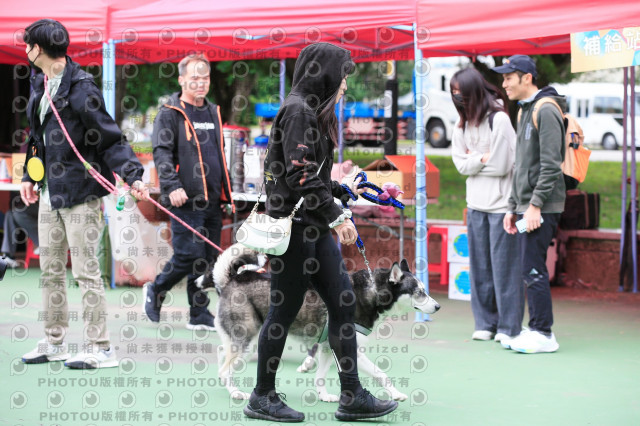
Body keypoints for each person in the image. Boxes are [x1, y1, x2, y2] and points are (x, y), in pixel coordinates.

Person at [243, 42, 398, 423]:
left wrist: (342, 190)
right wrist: (337, 216)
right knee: (283, 311)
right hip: (296, 231)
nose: (345, 85)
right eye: (342, 76)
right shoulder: (299, 111)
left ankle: (352, 395)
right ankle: (262, 396)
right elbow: (299, 175)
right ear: (324, 75)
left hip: (312, 228)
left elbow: (308, 175)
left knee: (343, 303)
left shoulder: (309, 110)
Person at [20, 19, 148, 368]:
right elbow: (37, 137)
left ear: (39, 49)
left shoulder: (81, 88)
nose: (25, 50)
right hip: (49, 192)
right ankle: (54, 341)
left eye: (27, 44)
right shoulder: (40, 82)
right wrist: (29, 175)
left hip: (81, 193)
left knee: (85, 271)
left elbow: (109, 138)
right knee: (50, 270)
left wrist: (133, 176)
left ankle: (100, 347)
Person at [143, 53, 234, 331]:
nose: (200, 83)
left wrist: (227, 194)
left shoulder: (213, 111)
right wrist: (172, 186)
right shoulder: (170, 113)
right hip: (184, 198)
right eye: (194, 78)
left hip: (213, 199)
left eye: (205, 78)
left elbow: (219, 154)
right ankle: (156, 289)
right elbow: (161, 153)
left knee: (207, 258)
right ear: (181, 80)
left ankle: (199, 313)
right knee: (188, 254)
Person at [492, 55, 566, 354]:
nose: (504, 84)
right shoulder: (525, 109)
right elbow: (521, 165)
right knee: (529, 267)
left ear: (527, 78)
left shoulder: (545, 109)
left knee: (533, 268)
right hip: (528, 206)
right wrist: (513, 207)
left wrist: (534, 206)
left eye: (509, 77)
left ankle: (543, 333)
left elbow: (551, 165)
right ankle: (536, 328)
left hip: (542, 207)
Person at [449, 67, 524, 343]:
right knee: (479, 268)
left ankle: (508, 327)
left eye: (461, 92)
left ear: (474, 91)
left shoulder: (499, 119)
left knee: (504, 270)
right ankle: (485, 323)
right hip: (475, 205)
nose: (458, 97)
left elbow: (502, 165)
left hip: (503, 206)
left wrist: (475, 160)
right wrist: (483, 158)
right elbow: (459, 165)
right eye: (454, 93)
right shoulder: (461, 125)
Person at [1, 198, 39, 268]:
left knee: (18, 213)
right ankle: (8, 256)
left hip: (47, 206)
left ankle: (41, 242)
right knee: (10, 214)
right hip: (32, 204)